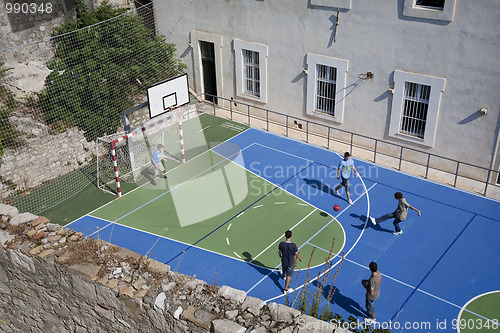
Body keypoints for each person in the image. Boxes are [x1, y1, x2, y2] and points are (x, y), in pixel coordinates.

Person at [278, 230, 303, 294]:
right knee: (288, 275)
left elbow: (279, 252)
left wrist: (280, 255)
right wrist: (300, 258)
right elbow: (296, 254)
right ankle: (286, 289)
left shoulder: (281, 244)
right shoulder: (293, 245)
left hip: (284, 260)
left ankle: (283, 275)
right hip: (290, 262)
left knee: (283, 268)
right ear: (291, 236)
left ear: (285, 235)